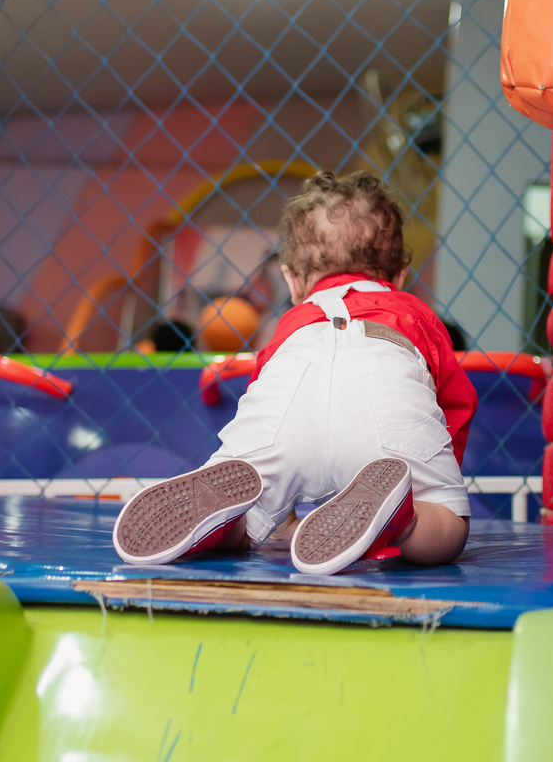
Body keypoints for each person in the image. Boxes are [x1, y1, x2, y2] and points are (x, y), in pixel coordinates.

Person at [113, 171, 477, 575]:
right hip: (385, 391)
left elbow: (265, 391)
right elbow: (454, 404)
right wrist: (436, 483)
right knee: (445, 521)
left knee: (251, 498)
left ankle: (227, 525)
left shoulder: (294, 320)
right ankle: (401, 518)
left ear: (291, 280)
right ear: (400, 275)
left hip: (287, 399)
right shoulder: (411, 312)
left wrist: (280, 517)